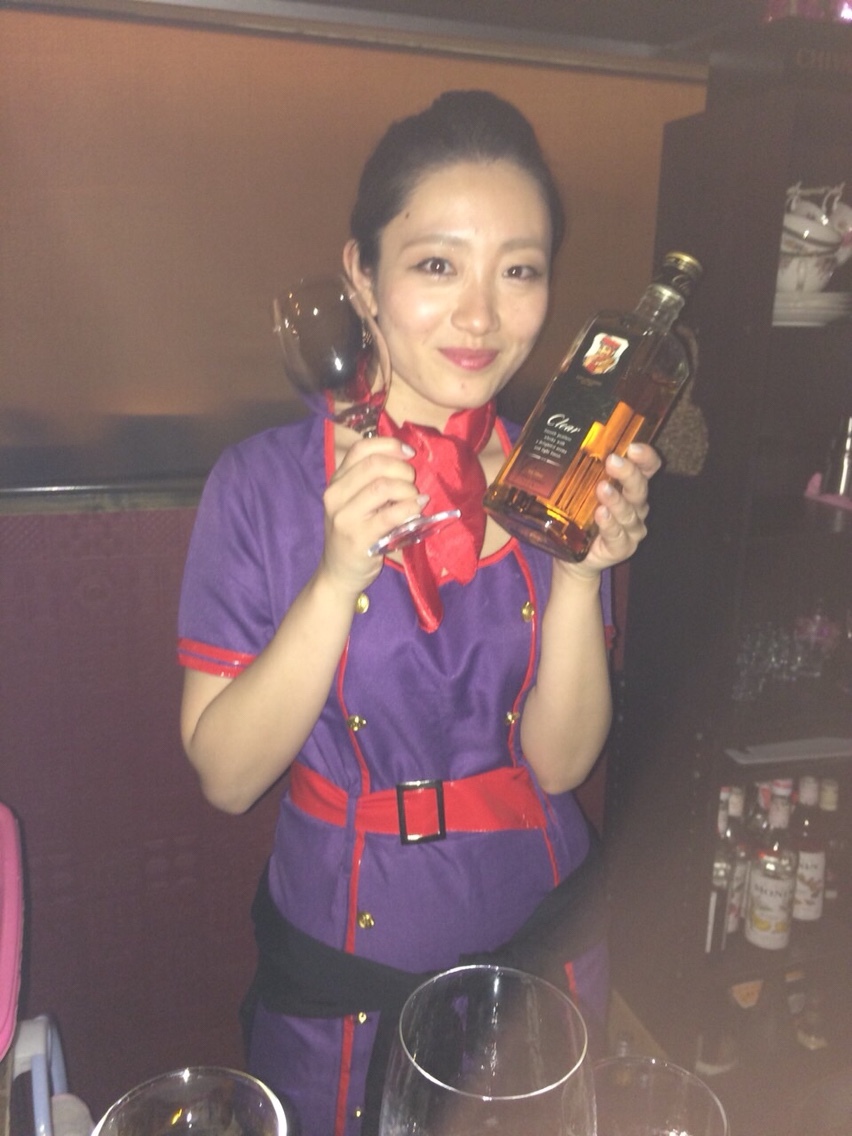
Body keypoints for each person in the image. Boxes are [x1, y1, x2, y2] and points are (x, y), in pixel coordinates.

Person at [177, 89, 661, 1136]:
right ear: (362, 274)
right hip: (342, 974)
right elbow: (227, 775)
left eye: (519, 270)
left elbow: (562, 765)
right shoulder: (260, 485)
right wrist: (336, 572)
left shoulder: (558, 471)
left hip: (543, 950)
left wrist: (582, 574)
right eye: (438, 265)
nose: (482, 317)